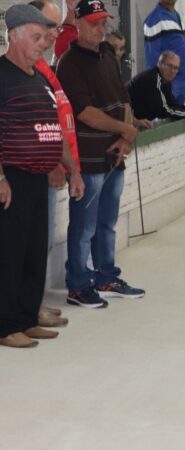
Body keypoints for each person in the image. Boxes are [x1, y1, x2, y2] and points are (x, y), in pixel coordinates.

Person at [0, 4, 84, 348]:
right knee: (10, 253)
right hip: (13, 180)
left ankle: (26, 317)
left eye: (44, 37)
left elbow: (54, 131)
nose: (43, 44)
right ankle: (6, 326)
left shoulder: (39, 77)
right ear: (14, 36)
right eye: (36, 37)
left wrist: (73, 169)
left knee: (35, 252)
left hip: (38, 179)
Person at [56, 0, 145, 308]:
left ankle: (105, 276)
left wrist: (126, 135)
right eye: (93, 23)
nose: (99, 28)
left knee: (106, 223)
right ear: (77, 24)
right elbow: (85, 113)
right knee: (84, 227)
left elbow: (123, 96)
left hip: (114, 157)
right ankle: (78, 285)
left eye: (103, 22)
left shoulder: (107, 53)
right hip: (89, 160)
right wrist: (126, 129)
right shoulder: (69, 63)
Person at [30, 0, 79, 328]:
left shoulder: (45, 69)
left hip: (52, 168)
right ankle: (26, 308)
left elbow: (54, 121)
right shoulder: (24, 71)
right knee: (30, 243)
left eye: (56, 28)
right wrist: (51, 163)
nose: (54, 35)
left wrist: (67, 164)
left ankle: (33, 303)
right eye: (48, 27)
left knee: (42, 242)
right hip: (33, 173)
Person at [127, 51, 185, 125]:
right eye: (169, 66)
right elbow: (162, 111)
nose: (172, 71)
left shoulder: (165, 81)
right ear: (159, 64)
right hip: (124, 121)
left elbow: (173, 105)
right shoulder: (153, 79)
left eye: (176, 68)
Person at [144, 0, 185, 105]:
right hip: (167, 88)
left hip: (180, 85)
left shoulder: (177, 16)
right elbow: (152, 60)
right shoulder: (154, 19)